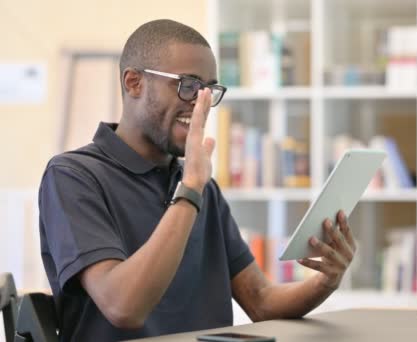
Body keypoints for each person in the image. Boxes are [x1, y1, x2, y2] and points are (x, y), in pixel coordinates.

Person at [38, 19, 357, 341]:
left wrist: (325, 281)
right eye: (187, 85)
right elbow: (124, 307)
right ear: (134, 83)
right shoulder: (73, 177)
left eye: (209, 89)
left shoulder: (200, 186)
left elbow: (261, 301)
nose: (201, 101)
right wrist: (189, 189)